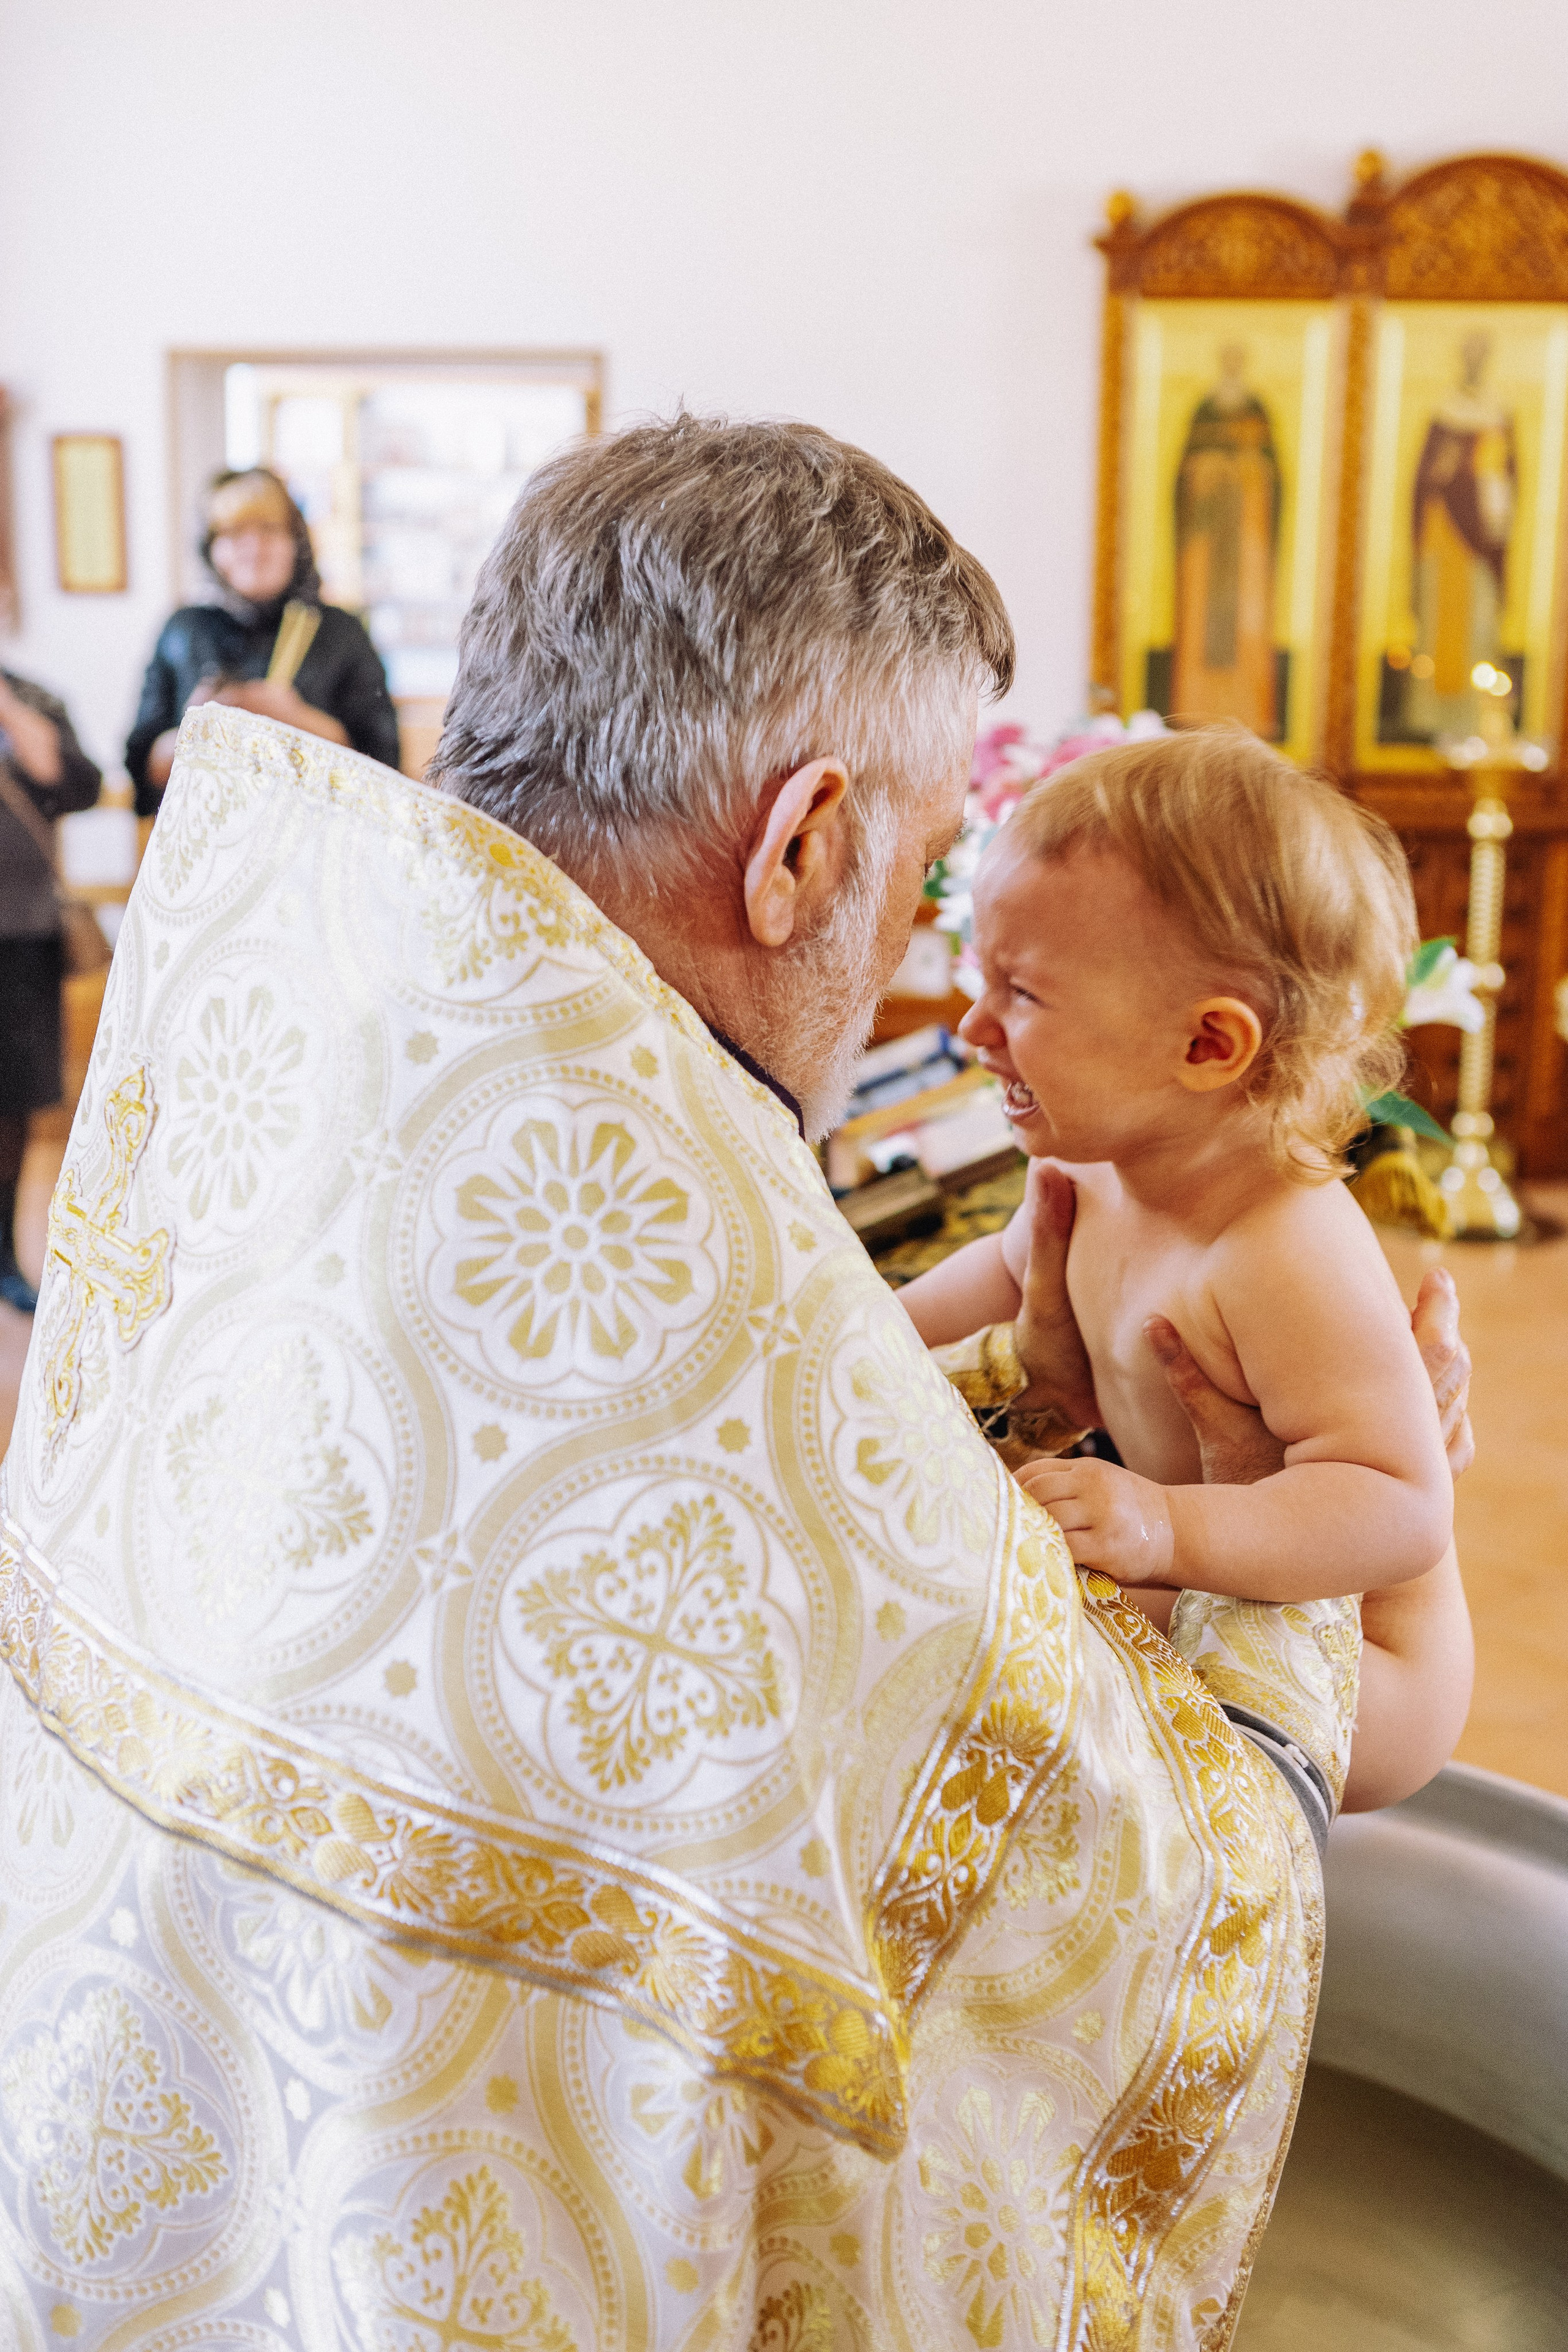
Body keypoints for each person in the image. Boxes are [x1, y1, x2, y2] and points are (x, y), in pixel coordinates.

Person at [0, 419, 1472, 2352]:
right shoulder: (685, 1293)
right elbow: (1109, 1902)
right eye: (926, 866)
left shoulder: (320, 1032)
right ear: (799, 848)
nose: (926, 973)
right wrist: (1325, 1530)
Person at [898, 725, 1471, 1805]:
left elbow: (1399, 1502)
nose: (974, 1026)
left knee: (1009, 1643)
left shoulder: (1285, 1246)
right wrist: (850, 1331)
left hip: (1365, 1669)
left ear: (1209, 1046)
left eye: (1021, 992)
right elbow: (988, 1285)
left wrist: (1167, 1528)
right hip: (1195, 1582)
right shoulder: (1102, 1173)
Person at [124, 464, 399, 811]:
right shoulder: (184, 630)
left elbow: (384, 768)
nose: (254, 548)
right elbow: (141, 772)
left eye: (270, 530)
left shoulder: (340, 631)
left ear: (295, 542)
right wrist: (197, 727)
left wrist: (293, 717)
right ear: (211, 548)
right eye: (235, 532)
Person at [0, 668, 102, 1312]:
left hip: (23, 929)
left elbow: (74, 784)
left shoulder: (31, 695)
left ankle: (4, 1256)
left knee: (15, 1100)